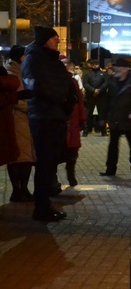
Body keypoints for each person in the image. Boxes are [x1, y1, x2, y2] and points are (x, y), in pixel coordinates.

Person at [21, 26, 77, 222]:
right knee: (44, 163)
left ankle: (45, 204)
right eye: (54, 38)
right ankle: (41, 207)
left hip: (57, 116)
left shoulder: (53, 60)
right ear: (45, 40)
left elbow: (67, 85)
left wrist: (68, 104)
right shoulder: (33, 59)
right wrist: (60, 100)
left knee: (51, 162)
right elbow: (37, 87)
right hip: (43, 116)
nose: (57, 41)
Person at [100, 57, 131, 177]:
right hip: (115, 117)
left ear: (126, 68)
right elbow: (106, 100)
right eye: (115, 66)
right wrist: (103, 117)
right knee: (113, 144)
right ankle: (110, 169)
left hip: (129, 118)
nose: (116, 69)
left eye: (119, 67)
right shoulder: (112, 80)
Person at [4, 45, 35, 202]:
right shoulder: (11, 74)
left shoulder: (21, 71)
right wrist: (31, 107)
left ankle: (23, 189)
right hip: (16, 120)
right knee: (18, 158)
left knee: (26, 157)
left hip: (25, 121)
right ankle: (18, 190)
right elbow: (15, 99)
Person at [62, 62, 86, 187]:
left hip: (73, 120)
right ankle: (58, 177)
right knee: (61, 150)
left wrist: (82, 119)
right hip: (62, 121)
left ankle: (71, 173)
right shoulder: (54, 79)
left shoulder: (73, 81)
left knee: (72, 150)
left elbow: (80, 101)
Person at [83, 58, 109, 136]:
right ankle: (86, 130)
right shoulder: (88, 74)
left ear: (99, 64)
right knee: (88, 114)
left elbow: (106, 83)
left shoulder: (103, 74)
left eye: (96, 64)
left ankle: (103, 130)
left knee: (102, 114)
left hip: (101, 97)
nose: (94, 66)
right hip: (90, 96)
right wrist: (93, 90)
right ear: (91, 65)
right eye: (93, 64)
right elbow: (85, 83)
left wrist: (99, 90)